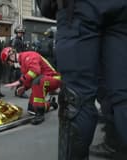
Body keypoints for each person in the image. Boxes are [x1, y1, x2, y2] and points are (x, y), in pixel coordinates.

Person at [54, 0, 127, 159]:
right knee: (124, 95)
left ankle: (113, 144)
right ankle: (114, 144)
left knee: (76, 98)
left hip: (81, 8)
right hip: (121, 10)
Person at [1, 47, 61, 125]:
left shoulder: (29, 56)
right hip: (43, 80)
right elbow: (31, 77)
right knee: (32, 109)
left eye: (8, 62)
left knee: (37, 82)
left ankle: (40, 115)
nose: (9, 64)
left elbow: (35, 71)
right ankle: (51, 104)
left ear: (11, 56)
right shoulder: (22, 64)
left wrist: (18, 82)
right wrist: (24, 88)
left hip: (54, 79)